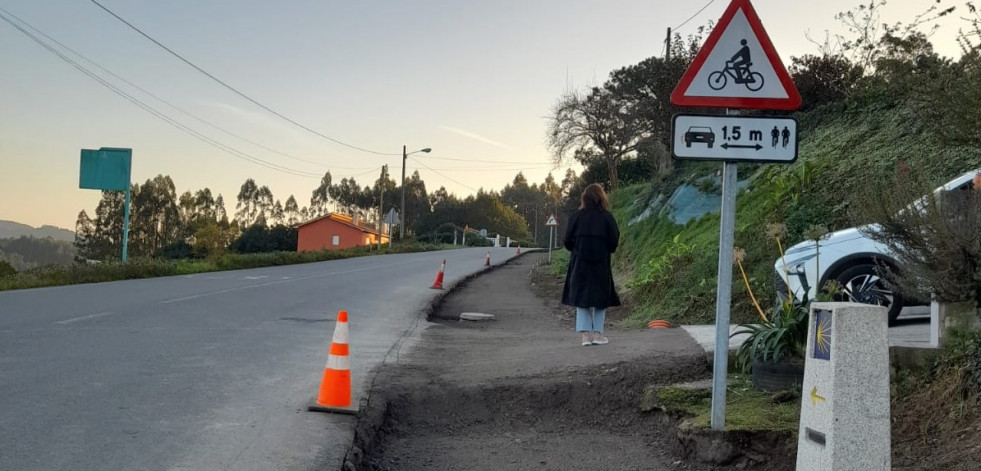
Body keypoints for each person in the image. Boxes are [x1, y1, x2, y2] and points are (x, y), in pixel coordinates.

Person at [561, 183, 621, 346]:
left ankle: (585, 336)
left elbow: (567, 241)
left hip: (579, 263)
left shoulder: (576, 217)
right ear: (602, 198)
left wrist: (577, 250)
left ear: (585, 199)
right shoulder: (607, 217)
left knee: (582, 298)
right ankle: (597, 334)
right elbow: (614, 240)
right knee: (601, 299)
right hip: (600, 263)